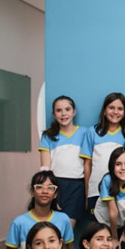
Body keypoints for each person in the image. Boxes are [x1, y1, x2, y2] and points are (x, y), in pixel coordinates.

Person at [5, 171, 75, 249]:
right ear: (32, 191)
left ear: (56, 194)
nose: (45, 191)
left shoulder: (63, 219)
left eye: (50, 188)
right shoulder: (19, 222)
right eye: (39, 187)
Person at [38, 95, 87, 228]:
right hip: (55, 185)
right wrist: (51, 191)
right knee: (52, 229)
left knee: (68, 229)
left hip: (77, 186)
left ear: (74, 112)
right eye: (59, 110)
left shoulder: (85, 133)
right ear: (54, 114)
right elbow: (45, 169)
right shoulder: (48, 136)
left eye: (67, 109)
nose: (64, 113)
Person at [80, 92, 125, 215]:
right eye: (111, 108)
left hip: (120, 192)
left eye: (120, 109)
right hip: (95, 190)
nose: (115, 112)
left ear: (124, 113)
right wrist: (87, 193)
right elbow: (88, 164)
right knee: (96, 229)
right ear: (104, 110)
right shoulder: (92, 132)